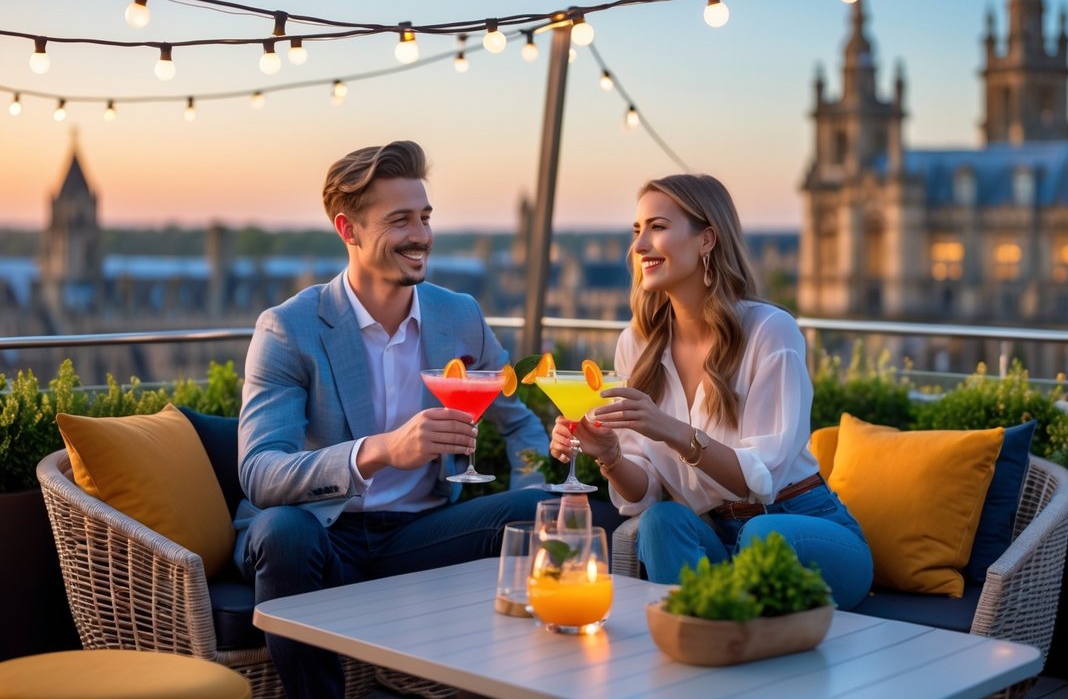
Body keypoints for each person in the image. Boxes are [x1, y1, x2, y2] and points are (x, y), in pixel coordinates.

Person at [236, 140, 549, 699]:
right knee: (281, 531)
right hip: (324, 535)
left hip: (418, 534)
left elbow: (522, 427)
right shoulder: (289, 328)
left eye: (425, 217)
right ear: (348, 229)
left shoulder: (460, 317)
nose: (421, 236)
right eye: (400, 220)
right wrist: (380, 451)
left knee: (536, 510)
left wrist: (530, 481)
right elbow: (261, 472)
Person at [551, 173, 874, 609]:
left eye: (657, 227)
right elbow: (643, 490)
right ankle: (696, 635)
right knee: (661, 520)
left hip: (803, 527)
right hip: (716, 535)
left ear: (707, 240)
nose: (640, 245)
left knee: (761, 535)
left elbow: (762, 482)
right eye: (637, 230)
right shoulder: (637, 343)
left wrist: (668, 428)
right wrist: (608, 454)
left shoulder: (769, 332)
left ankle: (719, 621)